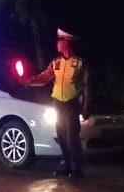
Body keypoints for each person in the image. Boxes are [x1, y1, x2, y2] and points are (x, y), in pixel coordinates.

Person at [23, 28, 90, 177]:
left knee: (72, 136)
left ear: (66, 43)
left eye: (60, 41)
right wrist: (29, 81)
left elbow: (87, 86)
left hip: (72, 104)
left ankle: (77, 168)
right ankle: (66, 165)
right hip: (58, 103)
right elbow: (44, 77)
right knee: (61, 136)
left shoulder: (80, 63)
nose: (57, 44)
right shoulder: (56, 62)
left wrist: (87, 107)